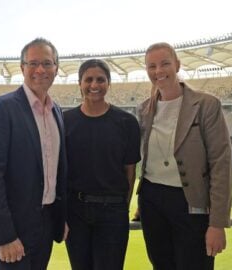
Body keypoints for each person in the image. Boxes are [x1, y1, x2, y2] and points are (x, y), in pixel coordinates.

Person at [137, 42, 232, 270]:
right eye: (152, 66)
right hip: (152, 201)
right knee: (161, 265)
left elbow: (221, 163)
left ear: (177, 64)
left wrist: (217, 223)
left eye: (164, 64)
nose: (158, 71)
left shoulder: (206, 104)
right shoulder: (144, 109)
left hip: (192, 202)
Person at [0, 37, 68, 270]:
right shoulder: (2, 108)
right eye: (33, 63)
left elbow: (57, 171)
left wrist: (60, 218)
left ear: (56, 69)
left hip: (46, 225)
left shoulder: (56, 111)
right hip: (12, 230)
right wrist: (5, 236)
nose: (40, 69)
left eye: (47, 63)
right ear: (22, 68)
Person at [64, 59, 141, 270]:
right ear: (79, 83)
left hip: (113, 211)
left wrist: (121, 209)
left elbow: (130, 172)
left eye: (101, 79)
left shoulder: (126, 122)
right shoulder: (65, 121)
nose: (94, 85)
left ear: (108, 83)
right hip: (76, 212)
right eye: (88, 79)